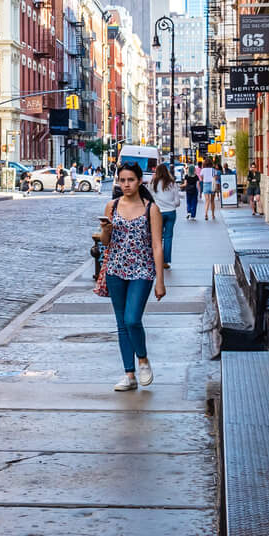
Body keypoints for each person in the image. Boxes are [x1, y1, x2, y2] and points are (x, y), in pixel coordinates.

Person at [94, 162, 165, 392]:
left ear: (139, 181)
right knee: (121, 323)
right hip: (115, 270)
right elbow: (106, 242)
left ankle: (143, 360)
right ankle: (129, 374)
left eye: (130, 180)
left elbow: (156, 245)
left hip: (142, 271)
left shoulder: (150, 208)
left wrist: (160, 281)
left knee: (132, 319)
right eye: (122, 180)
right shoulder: (112, 206)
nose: (126, 184)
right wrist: (106, 230)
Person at [151, 161, 186, 267]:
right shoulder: (172, 183)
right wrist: (171, 205)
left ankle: (157, 259)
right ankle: (165, 261)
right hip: (171, 212)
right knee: (168, 237)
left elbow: (150, 199)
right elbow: (177, 202)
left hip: (158, 213)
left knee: (158, 236)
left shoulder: (153, 184)